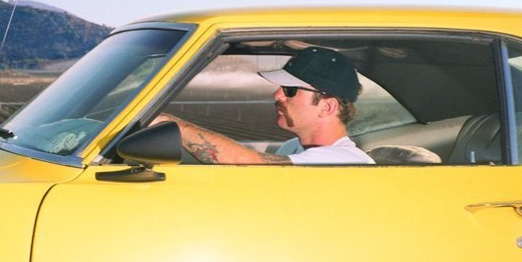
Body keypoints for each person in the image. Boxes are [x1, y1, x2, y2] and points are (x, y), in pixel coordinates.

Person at [151, 46, 375, 164]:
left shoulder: (344, 161)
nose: (277, 94)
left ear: (327, 107)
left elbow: (245, 162)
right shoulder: (292, 148)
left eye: (289, 90)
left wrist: (170, 124)